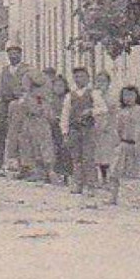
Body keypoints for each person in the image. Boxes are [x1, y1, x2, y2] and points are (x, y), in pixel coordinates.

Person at [61, 65, 105, 195]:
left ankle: (91, 185)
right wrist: (65, 131)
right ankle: (78, 184)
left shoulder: (93, 93)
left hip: (88, 130)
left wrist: (91, 111)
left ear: (88, 78)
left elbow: (103, 109)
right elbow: (65, 114)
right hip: (74, 130)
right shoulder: (70, 96)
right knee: (76, 158)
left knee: (88, 158)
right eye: (76, 77)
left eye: (81, 76)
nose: (79, 79)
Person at [15, 70, 57, 182]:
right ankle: (33, 169)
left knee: (42, 145)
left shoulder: (42, 98)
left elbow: (45, 112)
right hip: (30, 122)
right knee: (29, 145)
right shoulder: (28, 97)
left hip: (40, 123)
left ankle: (46, 171)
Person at [0, 44, 28, 171]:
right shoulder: (4, 70)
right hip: (5, 102)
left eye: (15, 53)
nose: (12, 56)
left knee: (19, 132)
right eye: (10, 54)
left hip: (19, 102)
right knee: (0, 131)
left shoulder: (26, 70)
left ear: (20, 55)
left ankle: (20, 162)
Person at [109, 85, 140, 208]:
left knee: (139, 173)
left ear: (136, 96)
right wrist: (117, 143)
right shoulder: (120, 112)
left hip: (137, 145)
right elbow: (117, 129)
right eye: (125, 96)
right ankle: (113, 197)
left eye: (131, 95)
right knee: (114, 172)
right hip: (123, 144)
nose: (128, 98)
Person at [92, 71, 119, 185]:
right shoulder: (93, 95)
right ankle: (99, 177)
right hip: (96, 127)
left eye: (103, 81)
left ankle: (107, 177)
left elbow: (114, 112)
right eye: (98, 81)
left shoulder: (112, 96)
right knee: (97, 153)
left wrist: (109, 125)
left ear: (108, 82)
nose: (101, 83)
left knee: (107, 154)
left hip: (108, 128)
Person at [49, 71, 72, 184]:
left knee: (65, 149)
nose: (58, 88)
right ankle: (55, 172)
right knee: (54, 149)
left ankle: (66, 174)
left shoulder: (68, 99)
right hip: (52, 127)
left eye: (61, 86)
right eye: (56, 86)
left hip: (64, 128)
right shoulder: (51, 99)